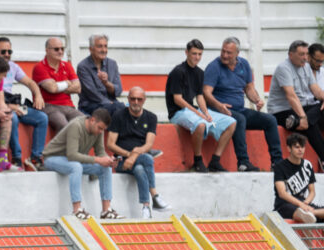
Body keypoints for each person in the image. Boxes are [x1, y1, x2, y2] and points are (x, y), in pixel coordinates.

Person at [203, 37, 282, 173]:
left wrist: (257, 100)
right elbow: (206, 92)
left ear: (237, 54)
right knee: (239, 119)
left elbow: (249, 88)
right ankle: (243, 162)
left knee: (270, 120)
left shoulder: (244, 65)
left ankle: (277, 162)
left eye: (229, 53)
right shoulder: (214, 67)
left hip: (239, 109)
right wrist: (219, 105)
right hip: (217, 110)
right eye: (223, 51)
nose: (225, 55)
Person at [166, 39, 237, 173]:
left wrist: (206, 113)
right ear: (186, 53)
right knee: (200, 124)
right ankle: (198, 160)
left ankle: (215, 160)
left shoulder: (199, 72)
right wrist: (198, 113)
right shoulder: (178, 71)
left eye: (199, 54)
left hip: (192, 110)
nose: (197, 57)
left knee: (231, 122)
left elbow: (199, 97)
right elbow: (178, 100)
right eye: (194, 54)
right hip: (178, 112)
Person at [43, 108, 121, 220]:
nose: (100, 132)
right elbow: (72, 155)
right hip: (52, 158)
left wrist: (108, 160)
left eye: (103, 129)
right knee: (76, 167)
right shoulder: (76, 125)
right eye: (99, 128)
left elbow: (100, 152)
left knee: (105, 168)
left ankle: (106, 210)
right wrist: (99, 160)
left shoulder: (98, 130)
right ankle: (77, 210)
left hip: (72, 160)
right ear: (92, 120)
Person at [107, 87, 170, 218]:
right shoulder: (118, 115)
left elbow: (148, 144)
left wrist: (134, 154)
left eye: (139, 99)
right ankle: (155, 196)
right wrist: (129, 155)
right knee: (147, 159)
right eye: (132, 98)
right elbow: (110, 144)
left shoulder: (151, 117)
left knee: (141, 169)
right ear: (128, 99)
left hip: (137, 160)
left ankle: (146, 207)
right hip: (121, 162)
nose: (135, 102)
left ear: (144, 100)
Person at [267, 40, 324, 172]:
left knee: (316, 113)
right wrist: (303, 118)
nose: (305, 57)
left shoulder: (306, 67)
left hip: (301, 110)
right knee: (311, 123)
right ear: (290, 54)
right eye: (301, 54)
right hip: (282, 110)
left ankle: (295, 122)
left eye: (306, 54)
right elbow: (291, 96)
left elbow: (316, 89)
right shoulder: (284, 68)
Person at [0, 37, 47, 171]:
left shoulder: (13, 66)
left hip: (12, 101)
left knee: (42, 118)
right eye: (3, 51)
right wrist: (8, 106)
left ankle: (35, 158)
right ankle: (17, 158)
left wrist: (38, 95)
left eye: (9, 51)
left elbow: (29, 82)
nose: (7, 55)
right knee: (13, 118)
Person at [32, 36, 83, 133]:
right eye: (56, 49)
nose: (60, 51)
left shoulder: (67, 65)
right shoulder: (39, 67)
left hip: (68, 106)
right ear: (47, 50)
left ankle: (77, 148)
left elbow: (78, 88)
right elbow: (51, 88)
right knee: (63, 125)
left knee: (85, 123)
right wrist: (66, 83)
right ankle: (61, 148)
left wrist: (58, 86)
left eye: (62, 49)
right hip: (49, 106)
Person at [273, 132, 324, 223]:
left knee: (308, 212)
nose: (300, 150)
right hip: (284, 204)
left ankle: (313, 213)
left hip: (304, 203)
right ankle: (308, 215)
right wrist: (301, 205)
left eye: (302, 147)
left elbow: (312, 192)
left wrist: (305, 203)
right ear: (289, 148)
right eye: (297, 147)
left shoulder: (307, 165)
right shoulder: (279, 167)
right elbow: (282, 193)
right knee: (299, 212)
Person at [76, 34, 124, 116]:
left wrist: (106, 83)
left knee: (130, 110)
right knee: (119, 109)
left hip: (112, 104)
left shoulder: (112, 64)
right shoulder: (83, 66)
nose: (104, 50)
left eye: (105, 46)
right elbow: (92, 94)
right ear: (91, 49)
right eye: (100, 46)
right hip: (90, 105)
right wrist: (110, 103)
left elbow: (118, 90)